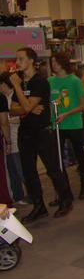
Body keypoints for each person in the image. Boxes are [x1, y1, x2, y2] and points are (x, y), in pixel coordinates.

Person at [9, 47, 73, 223]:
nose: (18, 62)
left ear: (31, 61)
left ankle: (65, 200)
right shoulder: (21, 81)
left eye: (21, 58)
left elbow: (25, 106)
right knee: (29, 172)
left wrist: (22, 99)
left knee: (53, 169)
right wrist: (27, 107)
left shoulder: (40, 81)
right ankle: (39, 206)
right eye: (17, 59)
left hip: (42, 131)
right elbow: (12, 110)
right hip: (25, 132)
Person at [48, 52, 84, 200]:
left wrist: (66, 114)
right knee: (58, 159)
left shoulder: (75, 81)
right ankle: (64, 191)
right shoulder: (50, 81)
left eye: (56, 62)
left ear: (63, 63)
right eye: (52, 62)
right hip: (57, 125)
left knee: (79, 155)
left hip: (73, 124)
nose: (54, 65)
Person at [0, 72, 27, 203]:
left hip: (16, 139)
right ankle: (18, 196)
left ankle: (32, 194)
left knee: (21, 169)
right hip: (7, 140)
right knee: (12, 170)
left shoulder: (15, 97)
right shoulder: (4, 98)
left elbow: (21, 117)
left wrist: (7, 120)